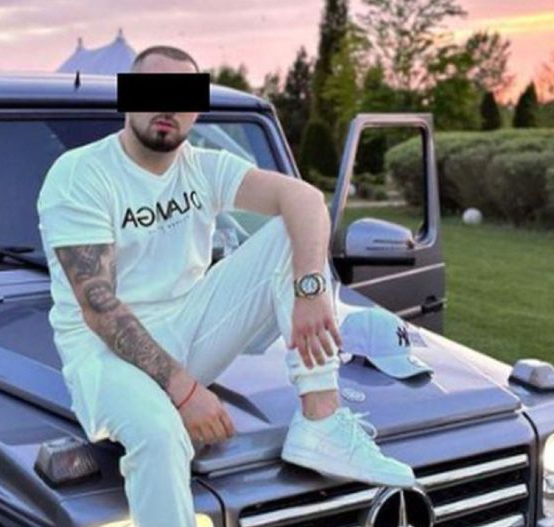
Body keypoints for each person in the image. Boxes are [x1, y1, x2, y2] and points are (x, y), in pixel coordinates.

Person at [36, 45, 415, 527]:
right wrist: (184, 392)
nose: (167, 107)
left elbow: (304, 199)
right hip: (103, 355)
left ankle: (320, 421)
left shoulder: (203, 167)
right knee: (160, 435)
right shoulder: (81, 174)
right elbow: (99, 306)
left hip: (189, 325)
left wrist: (311, 289)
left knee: (291, 232)